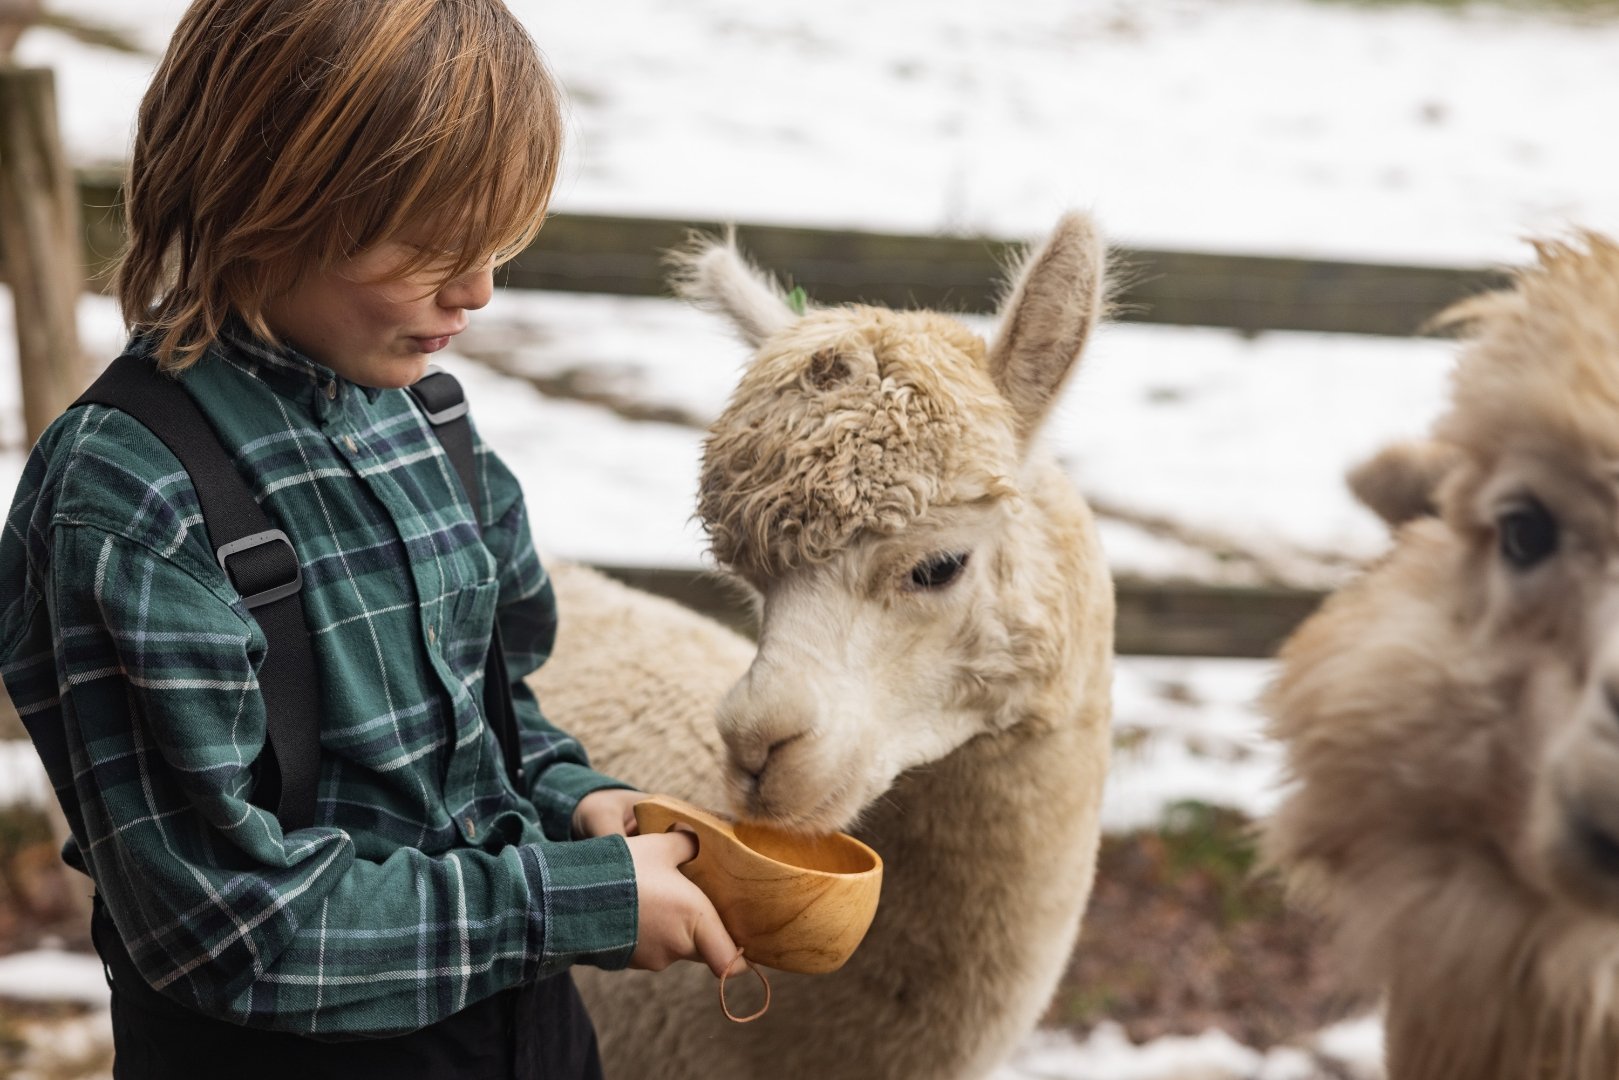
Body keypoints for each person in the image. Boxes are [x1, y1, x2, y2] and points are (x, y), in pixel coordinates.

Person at [0, 1, 737, 1076]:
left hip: (529, 1038)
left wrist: (571, 801)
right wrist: (563, 906)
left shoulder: (429, 421)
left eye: (494, 244)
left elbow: (490, 713)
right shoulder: (131, 504)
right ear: (270, 196)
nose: (477, 291)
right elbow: (228, 930)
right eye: (435, 247)